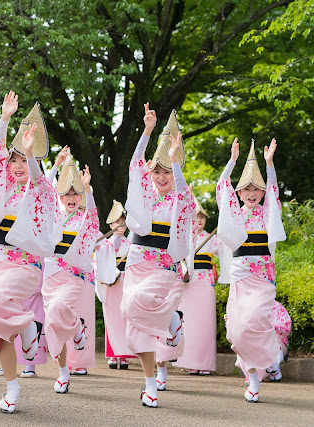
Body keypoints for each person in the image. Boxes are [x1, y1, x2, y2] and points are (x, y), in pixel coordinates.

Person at [0, 92, 58, 414]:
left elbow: (36, 175)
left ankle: (28, 327)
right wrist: (4, 118)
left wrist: (29, 152)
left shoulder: (40, 190)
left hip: (24, 267)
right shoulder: (3, 191)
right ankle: (12, 387)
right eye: (14, 160)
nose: (18, 165)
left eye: (23, 159)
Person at [121, 106, 194, 408]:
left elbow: (186, 196)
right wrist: (148, 131)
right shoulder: (144, 194)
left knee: (138, 300)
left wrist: (175, 163)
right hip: (137, 261)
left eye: (167, 172)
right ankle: (150, 384)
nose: (161, 176)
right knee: (132, 321)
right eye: (158, 171)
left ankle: (170, 320)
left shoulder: (179, 198)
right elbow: (135, 164)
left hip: (162, 266)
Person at [217, 138, 285, 403]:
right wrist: (232, 161)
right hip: (240, 277)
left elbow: (274, 190)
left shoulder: (268, 211)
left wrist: (269, 165)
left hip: (263, 278)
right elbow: (221, 187)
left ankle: (269, 357)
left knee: (254, 320)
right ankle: (254, 377)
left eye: (257, 188)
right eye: (246, 188)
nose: (252, 192)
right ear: (240, 192)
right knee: (236, 331)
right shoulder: (233, 213)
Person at [40, 152, 98, 393]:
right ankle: (63, 371)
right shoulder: (53, 215)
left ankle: (75, 327)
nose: (71, 198)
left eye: (76, 194)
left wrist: (89, 190)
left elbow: (93, 217)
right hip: (51, 276)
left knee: (57, 310)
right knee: (52, 325)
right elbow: (42, 193)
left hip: (73, 277)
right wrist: (54, 165)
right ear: (60, 196)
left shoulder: (83, 218)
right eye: (67, 193)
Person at [173, 199, 227, 375]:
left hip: (205, 285)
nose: (199, 221)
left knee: (205, 324)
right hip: (188, 285)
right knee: (189, 324)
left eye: (202, 218)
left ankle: (204, 363)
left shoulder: (213, 239)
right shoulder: (183, 238)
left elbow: (227, 249)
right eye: (196, 218)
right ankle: (190, 362)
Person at [97, 201, 136, 370]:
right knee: (112, 318)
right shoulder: (106, 243)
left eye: (122, 222)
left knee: (125, 317)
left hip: (126, 282)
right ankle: (113, 355)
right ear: (111, 224)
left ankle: (125, 355)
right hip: (112, 283)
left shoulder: (131, 244)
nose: (120, 226)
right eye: (116, 222)